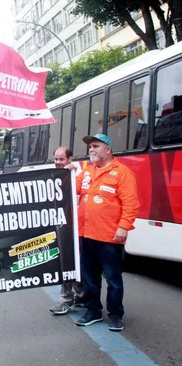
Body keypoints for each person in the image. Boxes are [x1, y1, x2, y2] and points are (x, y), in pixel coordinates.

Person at [67, 134, 139, 332]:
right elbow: (72, 189)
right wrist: (68, 174)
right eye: (90, 147)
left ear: (108, 149)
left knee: (113, 279)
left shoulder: (122, 173)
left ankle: (115, 315)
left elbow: (131, 204)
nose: (91, 149)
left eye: (96, 146)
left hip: (109, 237)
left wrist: (123, 227)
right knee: (90, 278)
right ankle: (93, 311)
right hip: (86, 234)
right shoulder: (87, 172)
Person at [49, 147, 84, 315]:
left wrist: (73, 172)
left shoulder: (79, 173)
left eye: (61, 159)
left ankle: (80, 296)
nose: (57, 162)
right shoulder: (53, 175)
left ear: (70, 159)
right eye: (55, 159)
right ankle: (66, 298)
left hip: (78, 227)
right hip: (62, 225)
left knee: (78, 261)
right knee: (65, 262)